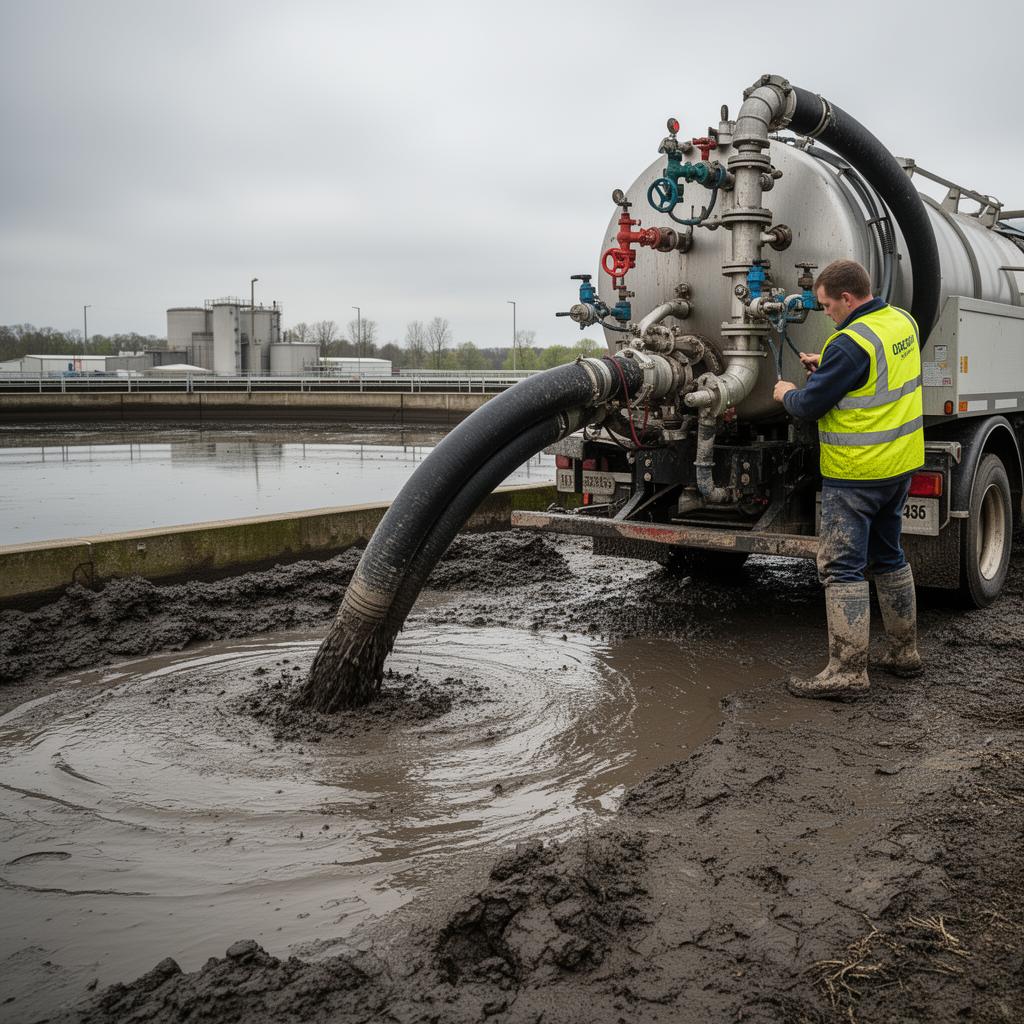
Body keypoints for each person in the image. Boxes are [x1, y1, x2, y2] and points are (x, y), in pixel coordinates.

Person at [772, 259, 924, 699]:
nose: (826, 314)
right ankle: (903, 652)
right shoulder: (901, 321)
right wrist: (831, 363)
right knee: (889, 554)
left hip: (856, 472)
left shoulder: (850, 342)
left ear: (847, 298)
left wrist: (786, 393)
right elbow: (877, 373)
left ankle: (847, 671)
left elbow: (807, 406)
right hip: (898, 466)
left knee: (841, 566)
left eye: (826, 306)